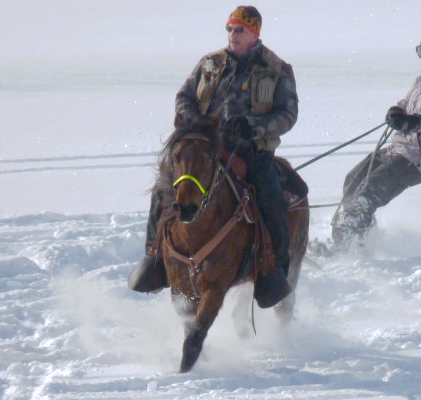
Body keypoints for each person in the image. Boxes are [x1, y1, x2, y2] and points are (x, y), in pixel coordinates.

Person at [128, 5, 299, 309]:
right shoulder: (210, 63)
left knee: (272, 198)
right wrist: (198, 124)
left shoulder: (276, 68)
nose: (233, 35)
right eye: (230, 29)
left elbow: (288, 114)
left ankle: (273, 273)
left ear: (254, 33)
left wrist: (253, 127)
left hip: (251, 150)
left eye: (240, 30)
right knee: (163, 189)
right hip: (206, 147)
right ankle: (155, 260)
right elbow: (183, 97)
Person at [330, 30, 421, 251]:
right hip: (400, 148)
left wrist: (413, 122)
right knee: (353, 181)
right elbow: (407, 102)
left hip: (419, 159)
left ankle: (347, 249)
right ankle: (360, 240)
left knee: (365, 196)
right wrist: (398, 111)